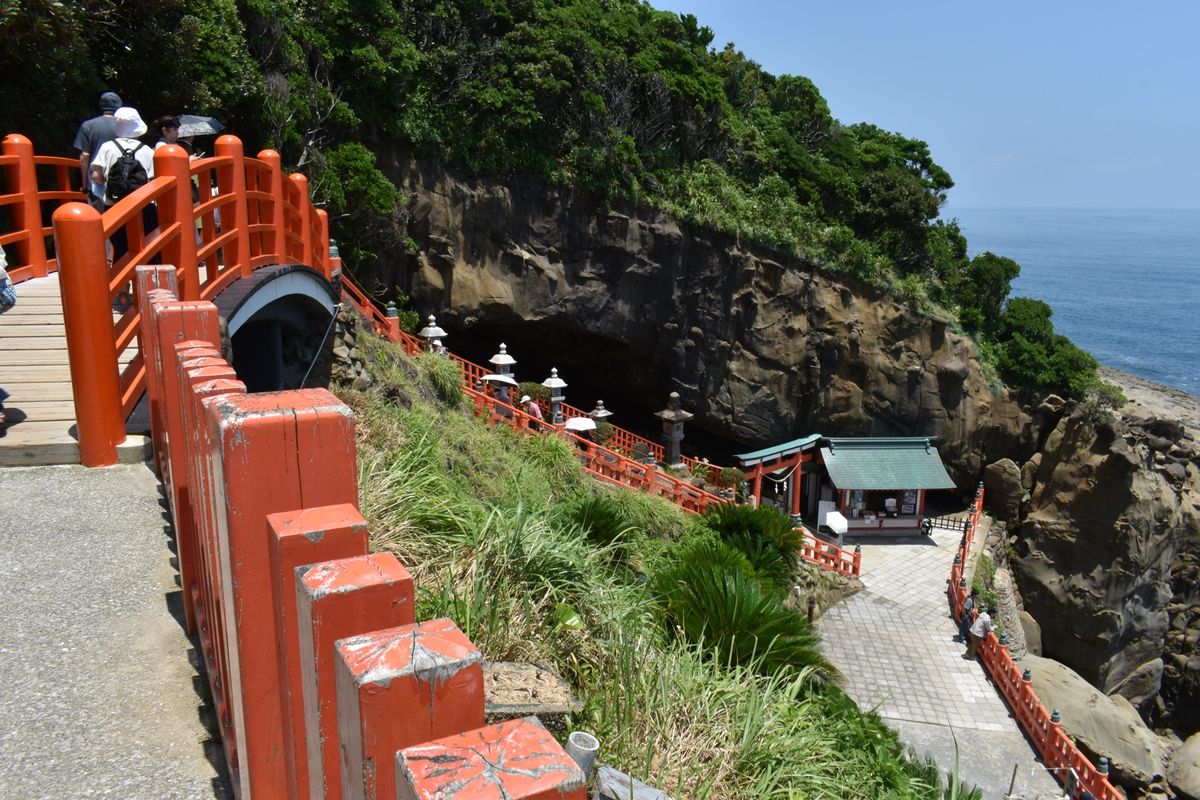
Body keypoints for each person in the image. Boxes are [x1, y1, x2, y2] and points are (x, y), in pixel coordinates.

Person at [72, 91, 122, 210]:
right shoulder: (123, 126)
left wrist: (85, 184)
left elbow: (84, 156)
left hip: (94, 180)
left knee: (98, 217)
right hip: (119, 179)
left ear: (101, 105)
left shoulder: (88, 125)